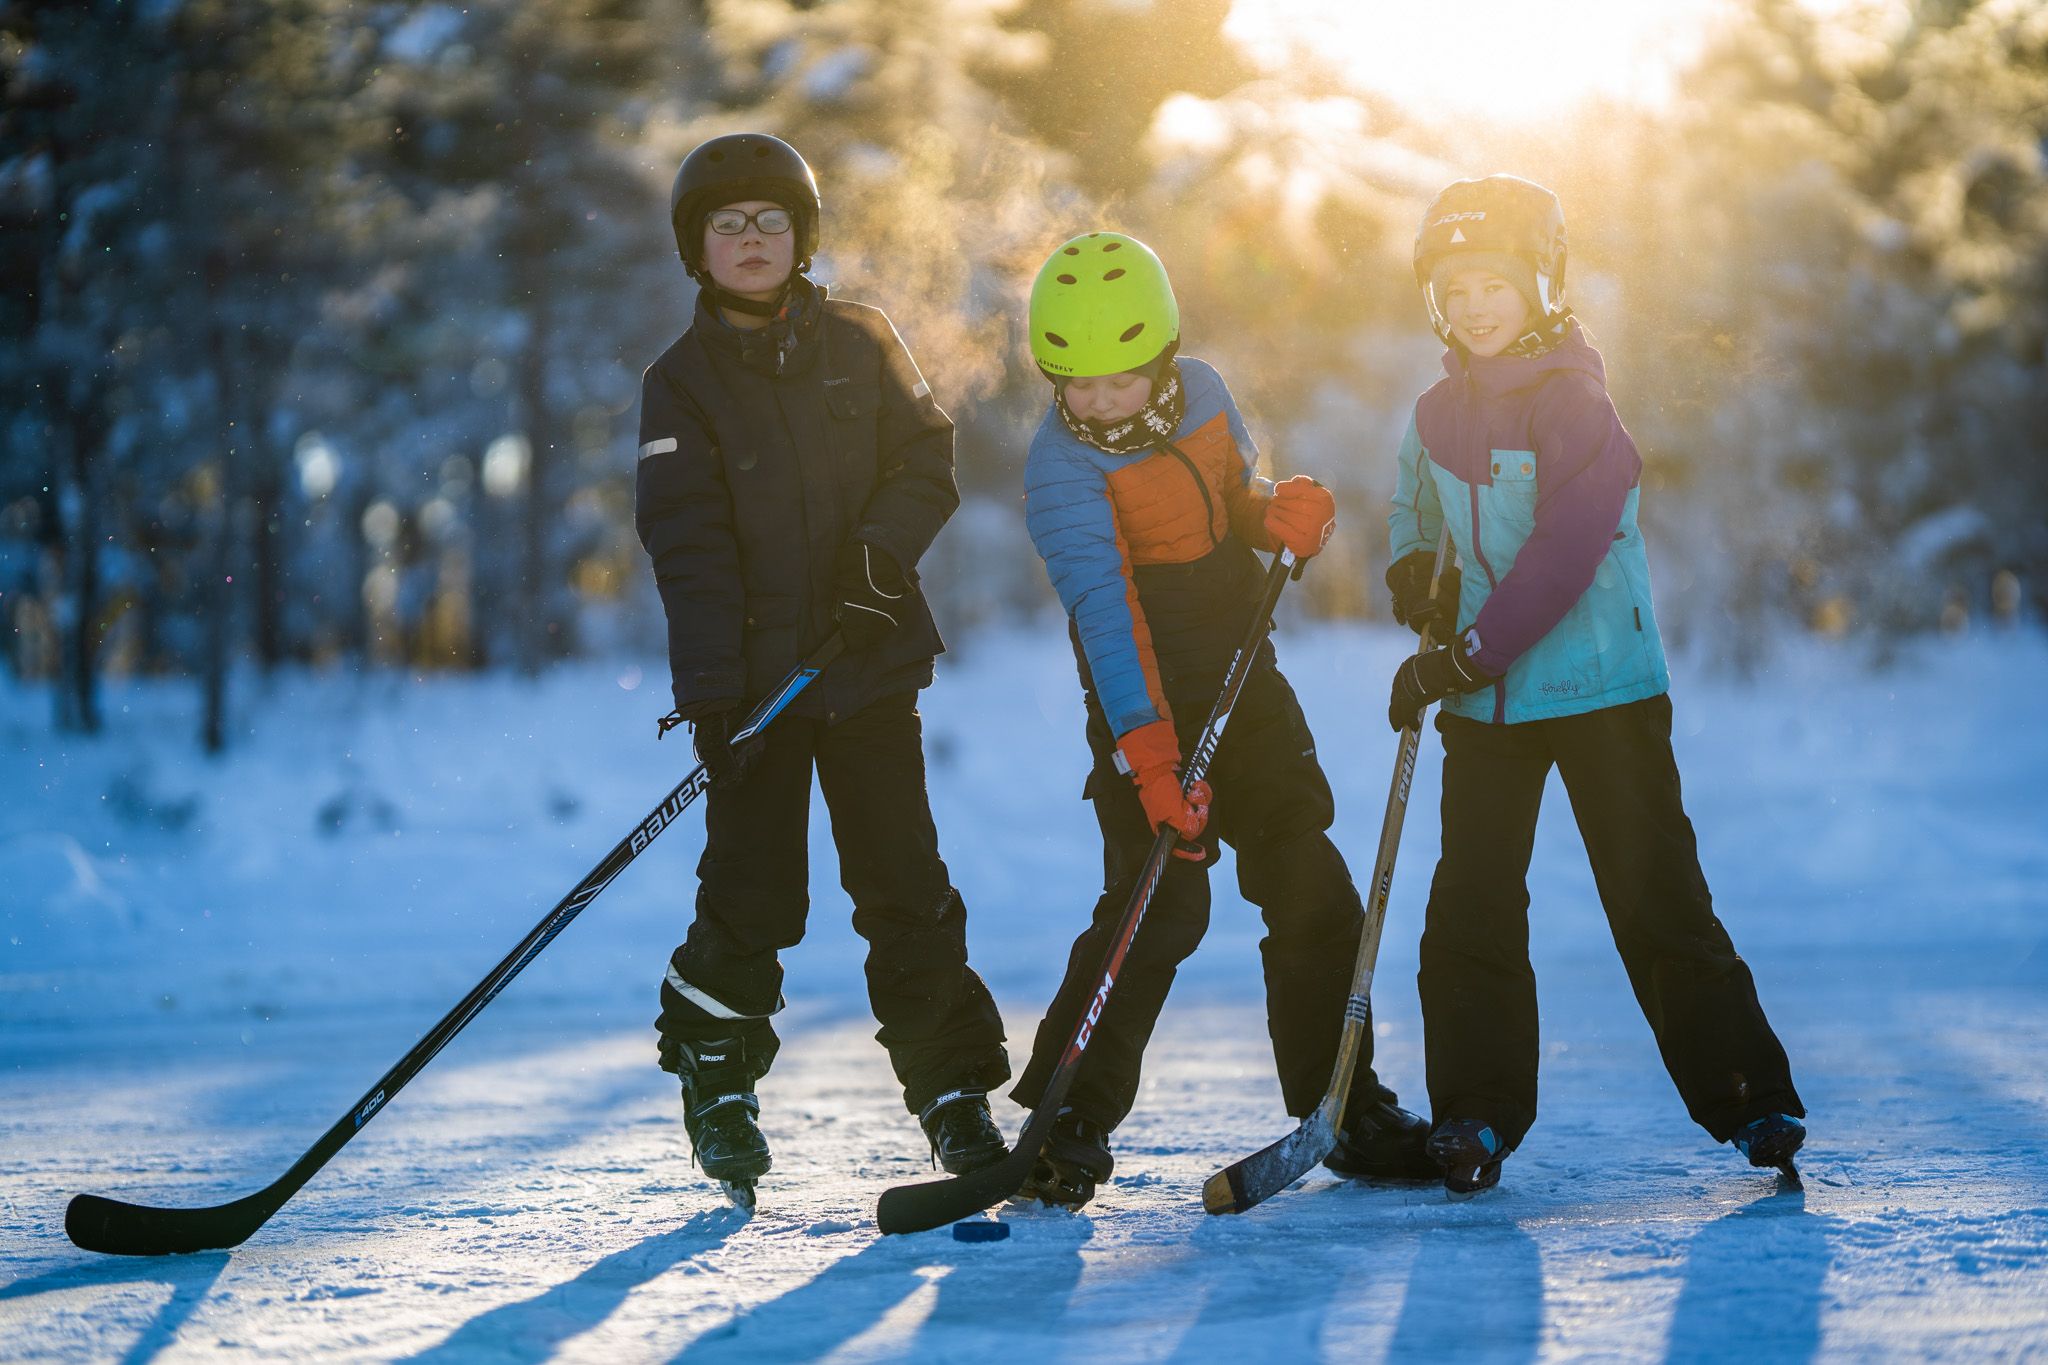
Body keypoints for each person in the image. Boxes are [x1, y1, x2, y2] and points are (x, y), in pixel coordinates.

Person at [1384, 174, 1807, 1196]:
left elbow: (1560, 558)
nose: (1476, 303)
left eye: (1495, 280)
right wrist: (1410, 570)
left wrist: (1463, 654)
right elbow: (1411, 504)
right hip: (1487, 708)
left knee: (1654, 898)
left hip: (1600, 692)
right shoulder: (1436, 412)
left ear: (1540, 284)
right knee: (1468, 909)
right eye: (1456, 285)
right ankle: (1474, 1116)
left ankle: (1746, 1095)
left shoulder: (1576, 404)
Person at [1012, 231, 1435, 1209]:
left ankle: (1344, 1102)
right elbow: (1108, 623)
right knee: (1161, 906)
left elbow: (1226, 504)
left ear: (1161, 357)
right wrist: (1149, 759)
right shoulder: (1059, 474)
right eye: (1075, 385)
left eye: (1121, 379)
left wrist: (1272, 513)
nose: (1101, 403)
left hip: (1246, 679)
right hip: (1140, 699)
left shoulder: (1202, 392)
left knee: (1307, 878)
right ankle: (1062, 1121)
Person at [632, 132, 1010, 1201]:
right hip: (755, 689)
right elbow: (686, 543)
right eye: (725, 225)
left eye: (768, 221)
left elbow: (924, 456)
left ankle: (952, 1097)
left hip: (869, 667)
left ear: (801, 237)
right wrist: (713, 696)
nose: (749, 240)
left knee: (904, 885)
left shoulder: (863, 338)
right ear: (694, 249)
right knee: (755, 897)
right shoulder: (679, 383)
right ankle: (716, 1079)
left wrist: (874, 558)